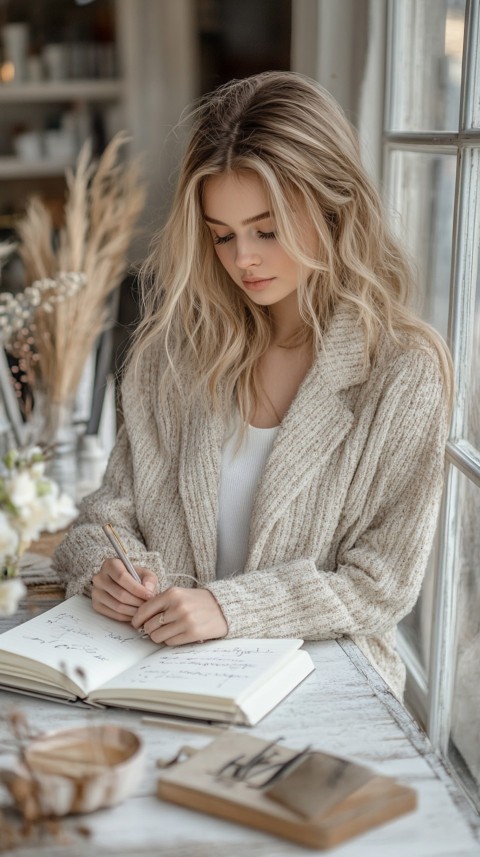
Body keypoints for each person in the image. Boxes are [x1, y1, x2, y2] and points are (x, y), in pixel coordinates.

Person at [54, 71, 452, 699]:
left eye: (267, 230)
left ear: (335, 206)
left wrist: (231, 608)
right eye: (223, 235)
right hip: (161, 679)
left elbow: (381, 584)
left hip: (326, 694)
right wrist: (106, 567)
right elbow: (108, 511)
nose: (244, 259)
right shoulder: (172, 358)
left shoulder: (403, 371)